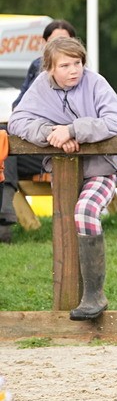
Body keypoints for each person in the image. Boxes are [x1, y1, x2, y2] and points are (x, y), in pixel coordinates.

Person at [8, 37, 117, 319]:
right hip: (62, 170)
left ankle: (94, 295)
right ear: (49, 68)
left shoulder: (96, 83)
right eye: (65, 65)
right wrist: (52, 133)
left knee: (85, 211)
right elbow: (17, 121)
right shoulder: (40, 87)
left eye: (78, 63)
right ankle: (70, 297)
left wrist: (73, 130)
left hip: (101, 167)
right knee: (64, 222)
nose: (74, 69)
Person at [0, 19, 78, 243]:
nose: (60, 47)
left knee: (5, 146)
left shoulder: (78, 73)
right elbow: (19, 108)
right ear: (44, 44)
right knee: (4, 142)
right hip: (36, 143)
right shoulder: (37, 67)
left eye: (65, 41)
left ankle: (4, 216)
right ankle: (4, 215)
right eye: (55, 42)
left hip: (64, 148)